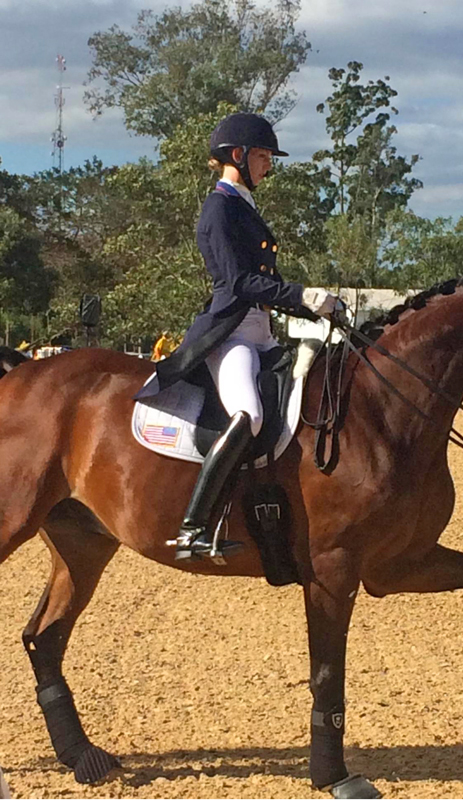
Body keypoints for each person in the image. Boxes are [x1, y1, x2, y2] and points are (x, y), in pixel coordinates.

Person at [135, 111, 339, 561]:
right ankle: (193, 527)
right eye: (264, 155)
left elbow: (266, 281)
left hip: (261, 334)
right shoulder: (220, 208)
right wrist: (304, 294)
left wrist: (316, 305)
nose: (269, 164)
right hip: (230, 336)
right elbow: (239, 283)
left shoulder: (244, 205)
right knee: (249, 414)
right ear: (238, 156)